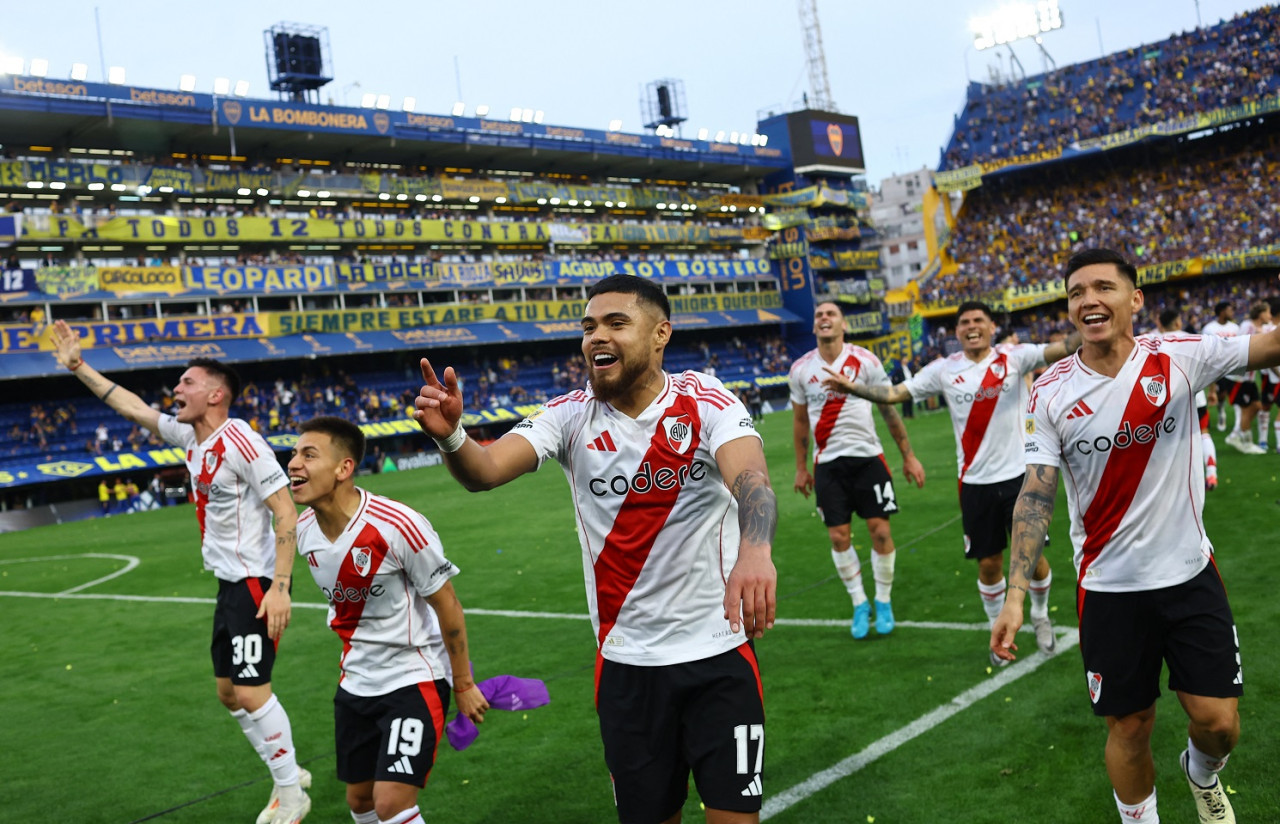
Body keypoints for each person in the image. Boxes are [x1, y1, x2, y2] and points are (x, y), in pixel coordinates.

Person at [413, 274, 777, 824]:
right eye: (588, 327)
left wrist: (756, 549)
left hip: (717, 658)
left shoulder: (706, 402)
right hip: (627, 667)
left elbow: (750, 479)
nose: (595, 337)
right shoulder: (568, 416)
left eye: (615, 323)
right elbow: (484, 472)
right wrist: (452, 436)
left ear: (661, 335)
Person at [992, 248, 1280, 824]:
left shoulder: (1179, 357)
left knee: (1219, 723)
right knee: (1129, 725)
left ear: (1135, 299)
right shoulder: (1048, 392)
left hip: (1189, 573)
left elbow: (1270, 346)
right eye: (1076, 292)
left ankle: (1200, 774)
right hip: (1109, 587)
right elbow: (1037, 492)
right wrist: (1016, 595)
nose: (1089, 301)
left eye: (1103, 287)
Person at [49, 320, 311, 824]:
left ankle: (290, 792)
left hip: (256, 582)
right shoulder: (192, 438)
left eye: (187, 383)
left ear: (216, 394)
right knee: (228, 692)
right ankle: (290, 772)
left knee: (252, 690)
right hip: (229, 583)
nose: (176, 390)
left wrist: (280, 587)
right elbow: (133, 407)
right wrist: (79, 366)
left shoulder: (242, 441)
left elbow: (284, 510)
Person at [820, 301, 1079, 663]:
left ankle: (1039, 615)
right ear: (957, 332)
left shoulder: (1015, 357)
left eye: (978, 321)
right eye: (964, 323)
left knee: (1032, 559)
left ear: (991, 326)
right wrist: (854, 388)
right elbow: (895, 394)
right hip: (974, 484)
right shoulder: (944, 369)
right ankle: (997, 636)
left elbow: (1065, 347)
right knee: (988, 564)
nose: (971, 327)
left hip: (1021, 478)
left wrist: (1094, 321)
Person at [288, 416, 489, 824]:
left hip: (413, 677)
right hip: (356, 681)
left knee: (391, 805)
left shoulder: (397, 525)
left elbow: (447, 604)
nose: (294, 463)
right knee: (360, 801)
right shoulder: (303, 531)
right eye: (294, 453)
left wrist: (463, 683)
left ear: (344, 469)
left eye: (309, 455)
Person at [789, 301, 925, 639]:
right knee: (838, 537)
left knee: (880, 532)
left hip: (868, 459)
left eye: (830, 314)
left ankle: (883, 600)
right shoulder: (801, 369)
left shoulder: (866, 360)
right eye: (818, 314)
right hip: (829, 465)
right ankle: (859, 603)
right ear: (814, 327)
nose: (824, 318)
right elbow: (800, 421)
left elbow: (889, 409)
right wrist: (800, 468)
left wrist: (908, 455)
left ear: (843, 324)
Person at [1155, 310, 1220, 490]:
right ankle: (1212, 473)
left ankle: (1175, 483)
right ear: (1177, 322)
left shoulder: (1152, 342)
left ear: (1160, 324)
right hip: (1196, 396)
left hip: (1165, 400)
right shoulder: (1191, 339)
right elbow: (1211, 367)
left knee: (1169, 440)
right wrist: (1212, 391)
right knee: (1204, 432)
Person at [1201, 301, 1263, 454]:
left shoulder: (1235, 327)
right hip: (1219, 369)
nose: (1233, 311)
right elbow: (1206, 351)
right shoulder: (1209, 328)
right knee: (1229, 400)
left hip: (1235, 371)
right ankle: (1238, 435)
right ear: (1222, 311)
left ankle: (1236, 434)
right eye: (1230, 309)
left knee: (1242, 406)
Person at [1237, 301, 1273, 451]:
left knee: (1256, 406)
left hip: (1250, 377)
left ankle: (1241, 436)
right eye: (1267, 312)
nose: (1270, 316)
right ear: (1261, 314)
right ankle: (1245, 443)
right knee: (1246, 409)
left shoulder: (1262, 328)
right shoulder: (1246, 325)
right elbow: (1240, 347)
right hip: (1241, 377)